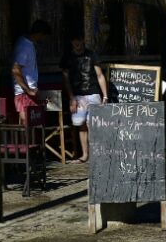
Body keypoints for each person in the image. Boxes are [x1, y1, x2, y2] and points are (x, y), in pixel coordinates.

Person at [60, 33, 108, 162]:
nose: (76, 42)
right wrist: (71, 98)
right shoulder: (67, 57)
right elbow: (66, 79)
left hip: (93, 93)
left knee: (93, 124)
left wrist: (105, 96)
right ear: (71, 42)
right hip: (77, 95)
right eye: (74, 40)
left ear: (83, 40)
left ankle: (96, 154)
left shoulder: (92, 55)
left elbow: (100, 75)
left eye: (79, 39)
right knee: (81, 125)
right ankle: (85, 155)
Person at [10, 20, 50, 127]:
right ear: (40, 34)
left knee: (32, 125)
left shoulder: (28, 44)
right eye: (45, 37)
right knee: (27, 126)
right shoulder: (24, 46)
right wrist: (28, 90)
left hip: (29, 93)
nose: (45, 40)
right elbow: (15, 69)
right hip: (24, 94)